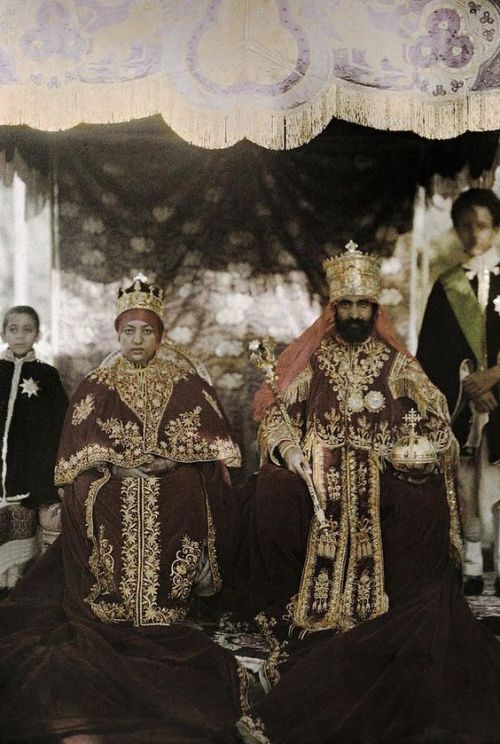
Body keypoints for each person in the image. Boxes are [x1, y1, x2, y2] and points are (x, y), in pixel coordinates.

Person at [236, 242, 500, 744]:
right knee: (276, 498)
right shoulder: (313, 361)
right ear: (332, 309)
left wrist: (416, 446)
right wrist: (289, 451)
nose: (354, 314)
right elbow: (276, 414)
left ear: (374, 309)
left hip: (383, 484)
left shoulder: (398, 365)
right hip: (323, 483)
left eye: (363, 306)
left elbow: (438, 419)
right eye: (345, 306)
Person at [0, 279, 249, 743]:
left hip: (170, 475)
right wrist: (114, 466)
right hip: (113, 479)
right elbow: (75, 450)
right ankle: (112, 598)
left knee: (185, 491)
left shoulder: (184, 381)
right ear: (118, 334)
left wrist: (173, 459)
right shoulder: (98, 384)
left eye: (146, 332)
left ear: (160, 336)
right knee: (100, 495)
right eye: (129, 331)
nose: (137, 340)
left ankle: (166, 602)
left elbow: (215, 443)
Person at [417, 188, 500, 596]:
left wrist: (494, 378)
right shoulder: (447, 285)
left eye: (482, 226)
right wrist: (470, 388)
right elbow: (432, 353)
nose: (473, 234)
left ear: (496, 229)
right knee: (466, 481)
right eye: (465, 226)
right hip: (464, 403)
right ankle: (469, 566)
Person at [0, 305, 68, 593]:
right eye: (13, 329)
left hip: (28, 467)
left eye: (27, 330)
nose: (20, 336)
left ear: (37, 335)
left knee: (22, 516)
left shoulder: (46, 375)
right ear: (3, 333)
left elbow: (60, 421)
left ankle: (14, 581)